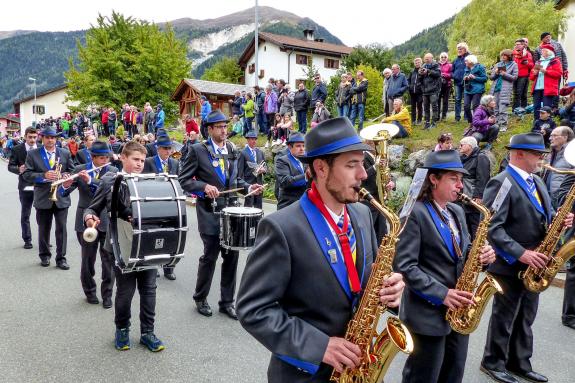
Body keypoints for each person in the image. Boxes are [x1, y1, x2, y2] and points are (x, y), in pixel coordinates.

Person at [237, 117, 405, 381]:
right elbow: (253, 309)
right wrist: (320, 346)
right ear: (321, 168)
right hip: (304, 373)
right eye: (352, 165)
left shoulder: (362, 214)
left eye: (362, 163)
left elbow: (365, 281)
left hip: (356, 366)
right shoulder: (281, 227)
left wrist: (389, 288)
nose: (363, 174)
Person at [394, 149, 496, 383]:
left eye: (461, 180)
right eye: (453, 179)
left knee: (453, 374)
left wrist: (483, 256)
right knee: (424, 377)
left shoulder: (457, 211)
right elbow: (406, 267)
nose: (460, 186)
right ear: (433, 179)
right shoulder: (414, 213)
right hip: (427, 314)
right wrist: (443, 294)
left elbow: (464, 254)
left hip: (457, 313)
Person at [480, 133, 573, 383]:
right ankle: (493, 362)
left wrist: (559, 221)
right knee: (504, 317)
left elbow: (546, 215)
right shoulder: (502, 182)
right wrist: (522, 254)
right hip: (510, 264)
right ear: (519, 154)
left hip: (536, 263)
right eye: (537, 154)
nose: (542, 159)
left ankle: (519, 362)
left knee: (526, 317)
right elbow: (492, 227)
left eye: (542, 154)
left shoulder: (537, 181)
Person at [178, 110, 263, 320]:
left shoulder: (234, 149)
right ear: (210, 129)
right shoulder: (198, 150)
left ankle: (227, 302)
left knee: (231, 258)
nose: (224, 130)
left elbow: (236, 181)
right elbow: (184, 179)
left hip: (231, 212)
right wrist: (204, 186)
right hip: (209, 212)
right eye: (219, 127)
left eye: (225, 126)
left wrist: (248, 187)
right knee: (210, 257)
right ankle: (200, 297)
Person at [83, 141, 165, 352]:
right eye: (135, 159)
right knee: (125, 292)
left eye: (141, 160)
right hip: (121, 245)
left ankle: (148, 332)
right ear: (123, 158)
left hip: (145, 244)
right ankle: (122, 330)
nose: (139, 164)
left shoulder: (150, 181)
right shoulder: (110, 180)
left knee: (149, 290)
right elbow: (91, 208)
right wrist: (90, 217)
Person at [60, 141, 117, 307]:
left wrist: (91, 180)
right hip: (84, 221)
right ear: (92, 157)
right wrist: (65, 184)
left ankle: (107, 295)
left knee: (108, 261)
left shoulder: (112, 171)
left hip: (106, 219)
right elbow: (65, 193)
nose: (105, 160)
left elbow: (110, 190)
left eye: (107, 157)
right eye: (101, 158)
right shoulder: (79, 169)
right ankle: (90, 291)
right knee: (87, 260)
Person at [23, 127, 75, 269]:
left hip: (61, 198)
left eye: (53, 137)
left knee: (61, 229)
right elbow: (27, 174)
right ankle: (45, 255)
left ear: (56, 139)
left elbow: (72, 170)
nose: (50, 140)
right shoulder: (33, 154)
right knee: (44, 229)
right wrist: (43, 175)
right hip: (43, 197)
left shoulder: (64, 153)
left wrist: (66, 176)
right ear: (42, 138)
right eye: (47, 137)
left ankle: (61, 258)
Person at [142, 135, 180, 280]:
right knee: (153, 235)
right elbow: (144, 182)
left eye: (169, 148)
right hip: (153, 203)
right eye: (165, 148)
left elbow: (178, 181)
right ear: (158, 148)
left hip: (170, 204)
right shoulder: (149, 162)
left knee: (172, 235)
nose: (168, 151)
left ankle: (169, 268)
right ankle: (153, 265)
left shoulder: (174, 163)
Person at [8, 126, 38, 249]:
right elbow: (10, 166)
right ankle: (27, 239)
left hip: (40, 187)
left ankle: (44, 238)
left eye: (34, 137)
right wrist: (18, 169)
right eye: (30, 137)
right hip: (25, 186)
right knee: (25, 214)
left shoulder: (41, 148)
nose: (32, 140)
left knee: (44, 214)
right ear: (25, 137)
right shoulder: (17, 149)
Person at [459, 136, 491, 238]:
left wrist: (479, 196)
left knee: (475, 223)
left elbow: (483, 178)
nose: (459, 147)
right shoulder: (463, 158)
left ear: (469, 146)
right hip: (464, 196)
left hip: (474, 197)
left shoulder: (481, 157)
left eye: (462, 144)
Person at [530, 44, 563, 121]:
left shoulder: (555, 61)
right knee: (536, 106)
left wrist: (546, 71)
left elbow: (558, 73)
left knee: (546, 107)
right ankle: (537, 123)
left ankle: (547, 123)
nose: (542, 52)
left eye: (543, 51)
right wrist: (534, 73)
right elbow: (531, 77)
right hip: (537, 88)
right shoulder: (538, 62)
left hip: (548, 88)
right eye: (541, 51)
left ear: (549, 52)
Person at [275, 132, 307, 210]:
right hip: (288, 206)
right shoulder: (282, 160)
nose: (302, 149)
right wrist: (306, 176)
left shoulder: (306, 160)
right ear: (289, 147)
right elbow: (285, 181)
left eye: (303, 146)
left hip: (304, 206)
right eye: (298, 146)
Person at [489, 50, 518, 132]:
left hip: (505, 89)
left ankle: (503, 125)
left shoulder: (514, 64)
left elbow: (514, 77)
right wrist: (496, 73)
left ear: (509, 56)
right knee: (495, 108)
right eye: (502, 55)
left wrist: (504, 74)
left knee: (503, 108)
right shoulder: (498, 64)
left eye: (505, 55)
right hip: (495, 89)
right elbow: (491, 77)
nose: (503, 57)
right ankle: (496, 124)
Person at [237, 131, 266, 209]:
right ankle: (247, 220)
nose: (254, 141)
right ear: (248, 140)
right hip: (248, 183)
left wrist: (264, 170)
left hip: (259, 182)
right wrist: (242, 184)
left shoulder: (260, 152)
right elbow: (240, 171)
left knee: (259, 206)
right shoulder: (243, 153)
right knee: (248, 206)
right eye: (252, 139)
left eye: (255, 139)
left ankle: (258, 221)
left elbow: (265, 166)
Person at [543, 126, 575, 197]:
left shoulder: (572, 154)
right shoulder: (550, 154)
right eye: (550, 136)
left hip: (562, 199)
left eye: (554, 135)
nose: (550, 138)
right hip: (547, 197)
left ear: (565, 137)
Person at [463, 55, 488, 124]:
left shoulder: (480, 67)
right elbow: (464, 77)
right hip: (468, 89)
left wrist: (475, 77)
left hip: (477, 89)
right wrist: (465, 78)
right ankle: (471, 121)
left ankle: (477, 121)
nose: (465, 62)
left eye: (466, 61)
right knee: (466, 106)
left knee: (475, 106)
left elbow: (485, 78)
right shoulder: (467, 68)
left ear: (471, 61)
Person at [420, 53, 442, 130]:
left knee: (434, 107)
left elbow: (438, 74)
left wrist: (428, 71)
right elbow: (420, 79)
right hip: (425, 90)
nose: (426, 60)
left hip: (433, 90)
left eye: (428, 58)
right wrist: (420, 74)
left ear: (432, 58)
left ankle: (434, 123)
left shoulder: (436, 65)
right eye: (425, 58)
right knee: (425, 107)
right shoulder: (423, 66)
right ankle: (427, 123)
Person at [513, 38, 535, 110]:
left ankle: (523, 108)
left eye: (518, 44)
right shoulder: (512, 54)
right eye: (516, 44)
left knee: (521, 93)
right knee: (515, 93)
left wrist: (527, 63)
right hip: (514, 75)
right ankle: (515, 109)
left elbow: (532, 65)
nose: (517, 46)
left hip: (523, 75)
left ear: (523, 45)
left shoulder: (527, 54)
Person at [452, 43, 471, 122]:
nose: (459, 50)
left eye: (461, 49)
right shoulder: (455, 60)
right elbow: (452, 71)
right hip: (457, 82)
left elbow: (473, 68)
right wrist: (454, 76)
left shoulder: (469, 58)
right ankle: (457, 117)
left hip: (467, 81)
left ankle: (466, 117)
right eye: (458, 49)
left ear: (465, 49)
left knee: (467, 99)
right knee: (457, 99)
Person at [407, 58, 424, 125]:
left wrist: (421, 86)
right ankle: (413, 120)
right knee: (413, 106)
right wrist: (409, 86)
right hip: (412, 92)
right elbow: (408, 79)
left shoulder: (422, 70)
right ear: (414, 64)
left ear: (421, 63)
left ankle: (419, 120)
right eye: (416, 63)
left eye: (418, 62)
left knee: (419, 106)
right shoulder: (412, 71)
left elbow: (424, 80)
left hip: (419, 92)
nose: (417, 64)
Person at [438, 52, 453, 121]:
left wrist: (445, 75)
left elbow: (452, 74)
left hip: (447, 84)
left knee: (445, 101)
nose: (443, 58)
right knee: (437, 100)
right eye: (442, 57)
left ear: (447, 58)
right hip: (438, 85)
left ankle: (444, 116)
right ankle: (437, 115)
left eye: (445, 57)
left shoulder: (450, 65)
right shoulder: (437, 65)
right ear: (440, 58)